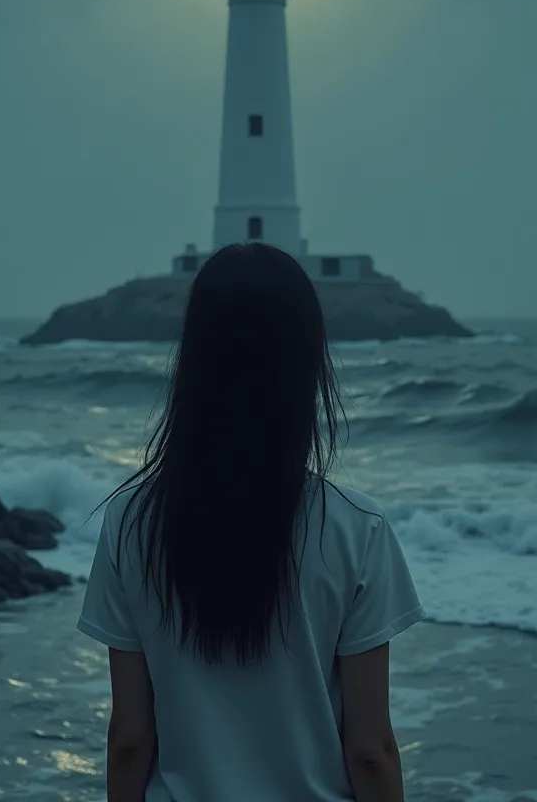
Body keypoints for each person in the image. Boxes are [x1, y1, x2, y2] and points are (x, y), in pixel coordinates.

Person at [78, 242, 425, 802]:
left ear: (193, 359)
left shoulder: (130, 521)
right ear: (307, 362)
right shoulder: (358, 527)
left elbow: (129, 738)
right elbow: (369, 748)